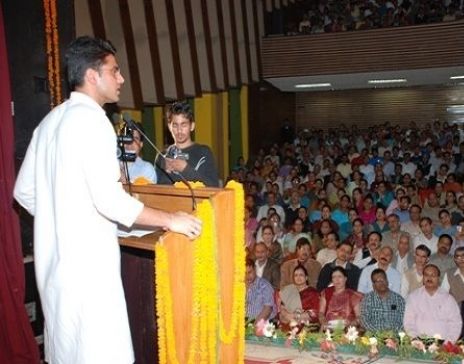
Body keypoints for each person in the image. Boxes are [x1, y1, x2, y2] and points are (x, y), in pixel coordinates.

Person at [13, 36, 202, 364]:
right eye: (114, 71)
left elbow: (24, 192)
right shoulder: (93, 121)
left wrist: (62, 219)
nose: (121, 79)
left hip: (54, 269)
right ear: (91, 75)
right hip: (88, 271)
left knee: (67, 352)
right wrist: (172, 219)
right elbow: (110, 201)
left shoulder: (49, 122)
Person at [157, 102, 219, 187]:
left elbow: (213, 187)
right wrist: (166, 170)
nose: (179, 130)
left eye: (184, 125)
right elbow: (157, 191)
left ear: (192, 126)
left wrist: (186, 169)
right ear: (169, 127)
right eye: (175, 125)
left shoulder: (204, 152)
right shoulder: (162, 156)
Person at [403, 265, 462, 342]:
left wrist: (447, 344)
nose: (429, 278)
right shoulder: (413, 297)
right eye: (426, 275)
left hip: (443, 344)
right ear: (423, 278)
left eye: (433, 275)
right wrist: (415, 340)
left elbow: (456, 324)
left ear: (438, 278)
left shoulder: (448, 299)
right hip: (419, 342)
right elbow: (408, 322)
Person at [245, 258, 277, 322]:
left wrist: (255, 325)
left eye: (250, 272)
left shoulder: (264, 285)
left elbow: (268, 309)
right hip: (243, 324)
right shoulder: (239, 287)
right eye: (244, 273)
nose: (247, 276)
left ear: (255, 269)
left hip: (262, 323)